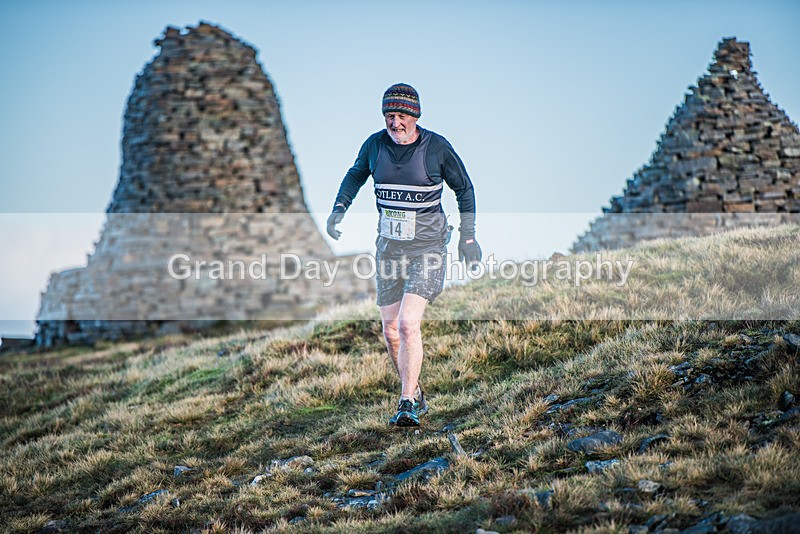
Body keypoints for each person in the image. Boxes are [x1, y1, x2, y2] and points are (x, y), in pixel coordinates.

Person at [327, 83, 481, 427]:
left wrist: (468, 237)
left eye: (400, 116)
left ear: (414, 117)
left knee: (407, 324)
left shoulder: (436, 148)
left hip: (428, 248)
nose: (394, 123)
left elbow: (464, 188)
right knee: (390, 332)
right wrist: (339, 208)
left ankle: (407, 401)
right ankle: (415, 391)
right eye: (388, 116)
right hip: (388, 251)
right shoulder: (375, 146)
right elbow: (355, 175)